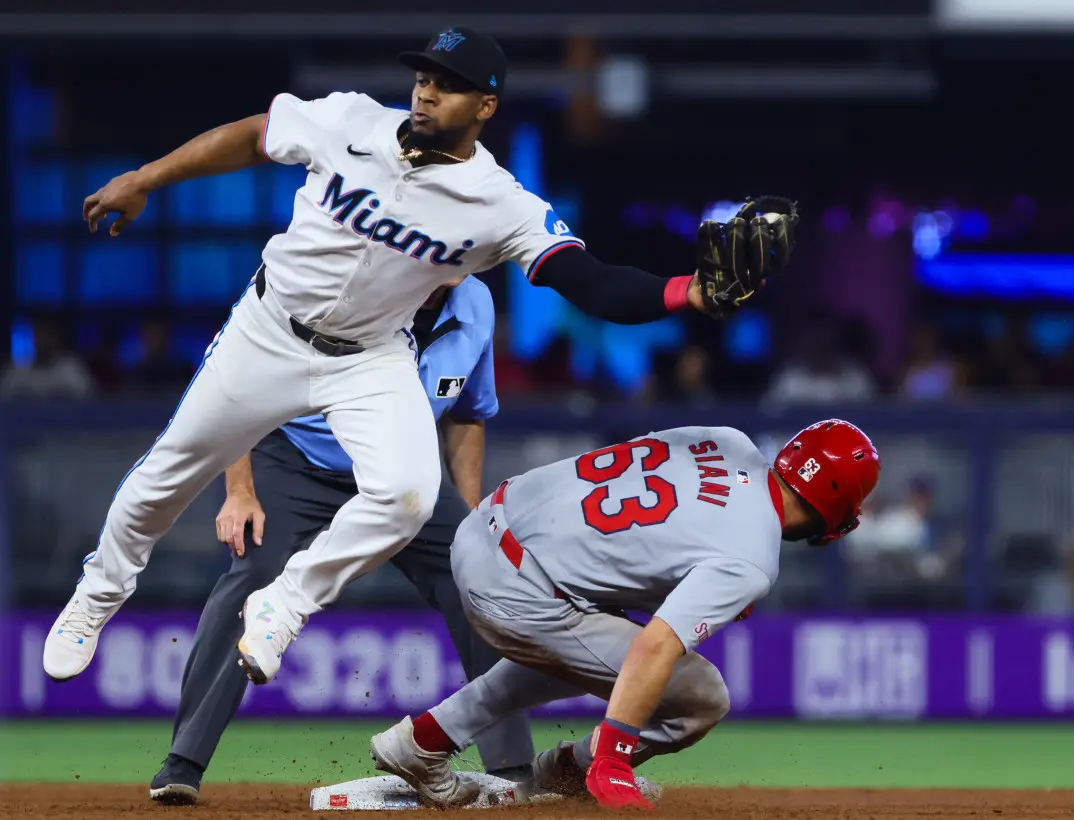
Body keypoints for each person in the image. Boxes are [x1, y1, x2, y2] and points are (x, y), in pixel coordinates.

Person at [44, 25, 776, 687]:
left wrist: (692, 295)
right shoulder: (351, 120)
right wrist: (145, 179)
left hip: (368, 356)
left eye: (449, 82)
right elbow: (248, 134)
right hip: (267, 331)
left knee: (407, 496)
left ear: (486, 105)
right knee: (162, 482)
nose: (427, 89)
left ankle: (287, 604)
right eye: (424, 75)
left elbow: (588, 281)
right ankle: (97, 594)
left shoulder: (498, 201)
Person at [147, 278, 532, 805]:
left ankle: (513, 768)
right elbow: (233, 376)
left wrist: (468, 520)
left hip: (403, 470)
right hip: (297, 456)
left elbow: (467, 414)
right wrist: (238, 489)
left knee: (477, 576)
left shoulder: (476, 304)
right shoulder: (350, 273)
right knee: (254, 575)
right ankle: (183, 762)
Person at [368, 420, 880, 808]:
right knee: (702, 697)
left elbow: (646, 532)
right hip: (516, 590)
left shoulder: (727, 439)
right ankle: (576, 769)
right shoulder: (752, 558)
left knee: (578, 644)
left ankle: (423, 742)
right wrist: (615, 754)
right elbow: (654, 646)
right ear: (839, 506)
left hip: (488, 526)